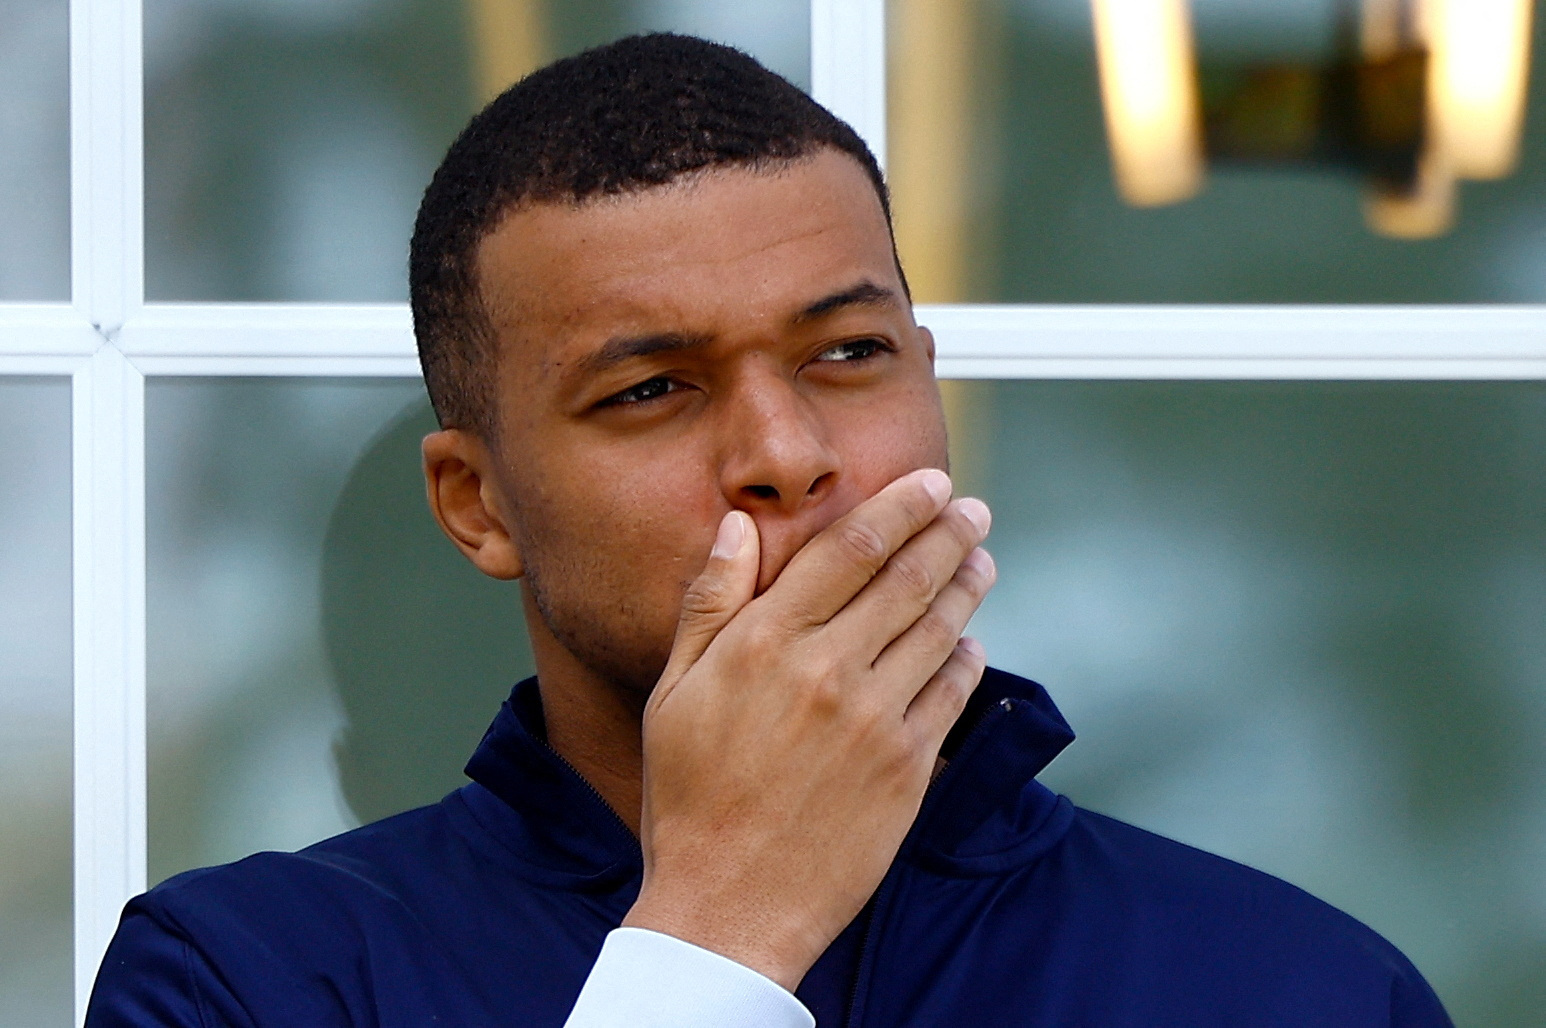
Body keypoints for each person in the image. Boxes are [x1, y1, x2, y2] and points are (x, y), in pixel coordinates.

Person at [87, 33, 1453, 1028]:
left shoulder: (1296, 988)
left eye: (848, 354)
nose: (787, 456)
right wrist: (718, 932)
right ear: (478, 503)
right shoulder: (243, 984)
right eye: (649, 390)